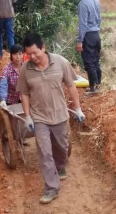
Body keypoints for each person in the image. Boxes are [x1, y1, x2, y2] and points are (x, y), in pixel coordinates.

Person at [16, 33, 85, 204]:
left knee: (62, 146)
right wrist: (28, 116)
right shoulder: (25, 69)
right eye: (28, 54)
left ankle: (60, 167)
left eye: (35, 53)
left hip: (60, 115)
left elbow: (71, 86)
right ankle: (51, 188)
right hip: (40, 118)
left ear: (43, 48)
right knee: (45, 153)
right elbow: (24, 93)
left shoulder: (61, 62)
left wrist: (78, 109)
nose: (32, 57)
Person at [76, 0, 102, 94]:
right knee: (95, 60)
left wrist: (80, 40)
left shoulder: (83, 4)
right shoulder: (96, 0)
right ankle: (98, 84)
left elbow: (83, 24)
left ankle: (93, 88)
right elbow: (99, 18)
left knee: (88, 61)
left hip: (88, 35)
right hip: (96, 34)